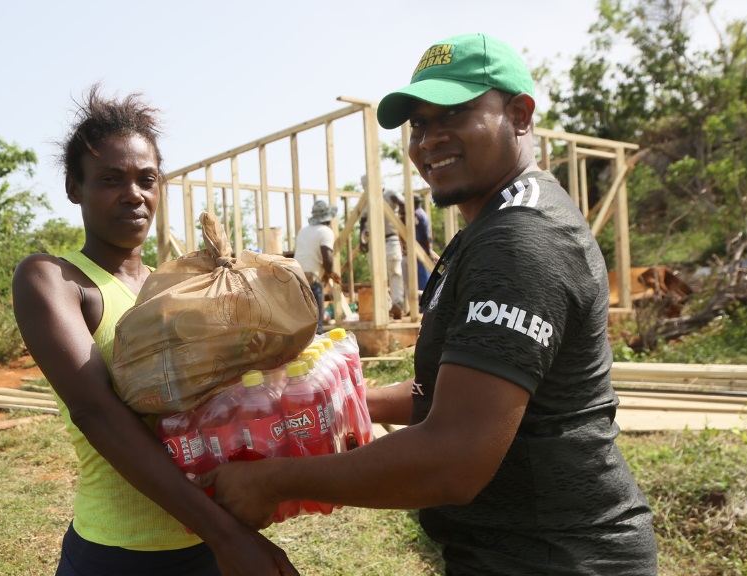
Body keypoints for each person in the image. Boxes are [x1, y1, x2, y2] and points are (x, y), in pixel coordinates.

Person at [202, 33, 657, 575]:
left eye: (455, 114)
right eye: (419, 125)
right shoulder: (492, 227)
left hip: (559, 559)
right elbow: (448, 393)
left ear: (520, 114)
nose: (429, 140)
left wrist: (271, 483)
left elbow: (453, 460)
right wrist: (332, 400)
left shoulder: (519, 243)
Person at [12, 85, 297, 576]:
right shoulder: (53, 280)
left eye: (147, 179)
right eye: (110, 179)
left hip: (208, 539)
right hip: (121, 553)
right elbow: (96, 412)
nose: (134, 194)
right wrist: (226, 535)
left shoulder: (175, 289)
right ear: (74, 188)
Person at [358, 181, 407, 319]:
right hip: (374, 243)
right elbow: (363, 221)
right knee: (377, 276)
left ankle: (398, 305)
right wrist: (362, 239)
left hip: (391, 240)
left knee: (395, 272)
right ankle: (385, 307)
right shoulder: (366, 199)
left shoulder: (390, 194)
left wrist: (405, 223)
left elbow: (403, 204)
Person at [293, 200, 342, 334]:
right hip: (311, 280)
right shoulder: (326, 232)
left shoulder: (303, 231)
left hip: (294, 278)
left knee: (301, 324)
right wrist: (330, 272)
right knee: (316, 326)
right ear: (328, 218)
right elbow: (327, 255)